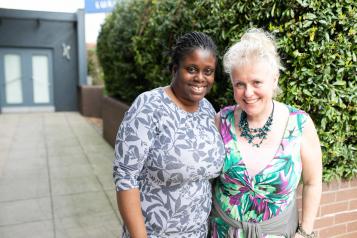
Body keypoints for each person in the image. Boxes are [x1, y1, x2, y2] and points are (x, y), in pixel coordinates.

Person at [210, 28, 322, 238]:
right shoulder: (221, 121)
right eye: (239, 84)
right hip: (222, 232)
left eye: (256, 82)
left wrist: (305, 233)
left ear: (274, 79)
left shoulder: (299, 124)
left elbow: (313, 182)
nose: (248, 93)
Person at [113, 32, 225, 238]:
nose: (200, 78)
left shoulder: (207, 109)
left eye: (208, 71)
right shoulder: (148, 106)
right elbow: (126, 177)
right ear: (175, 69)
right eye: (191, 69)